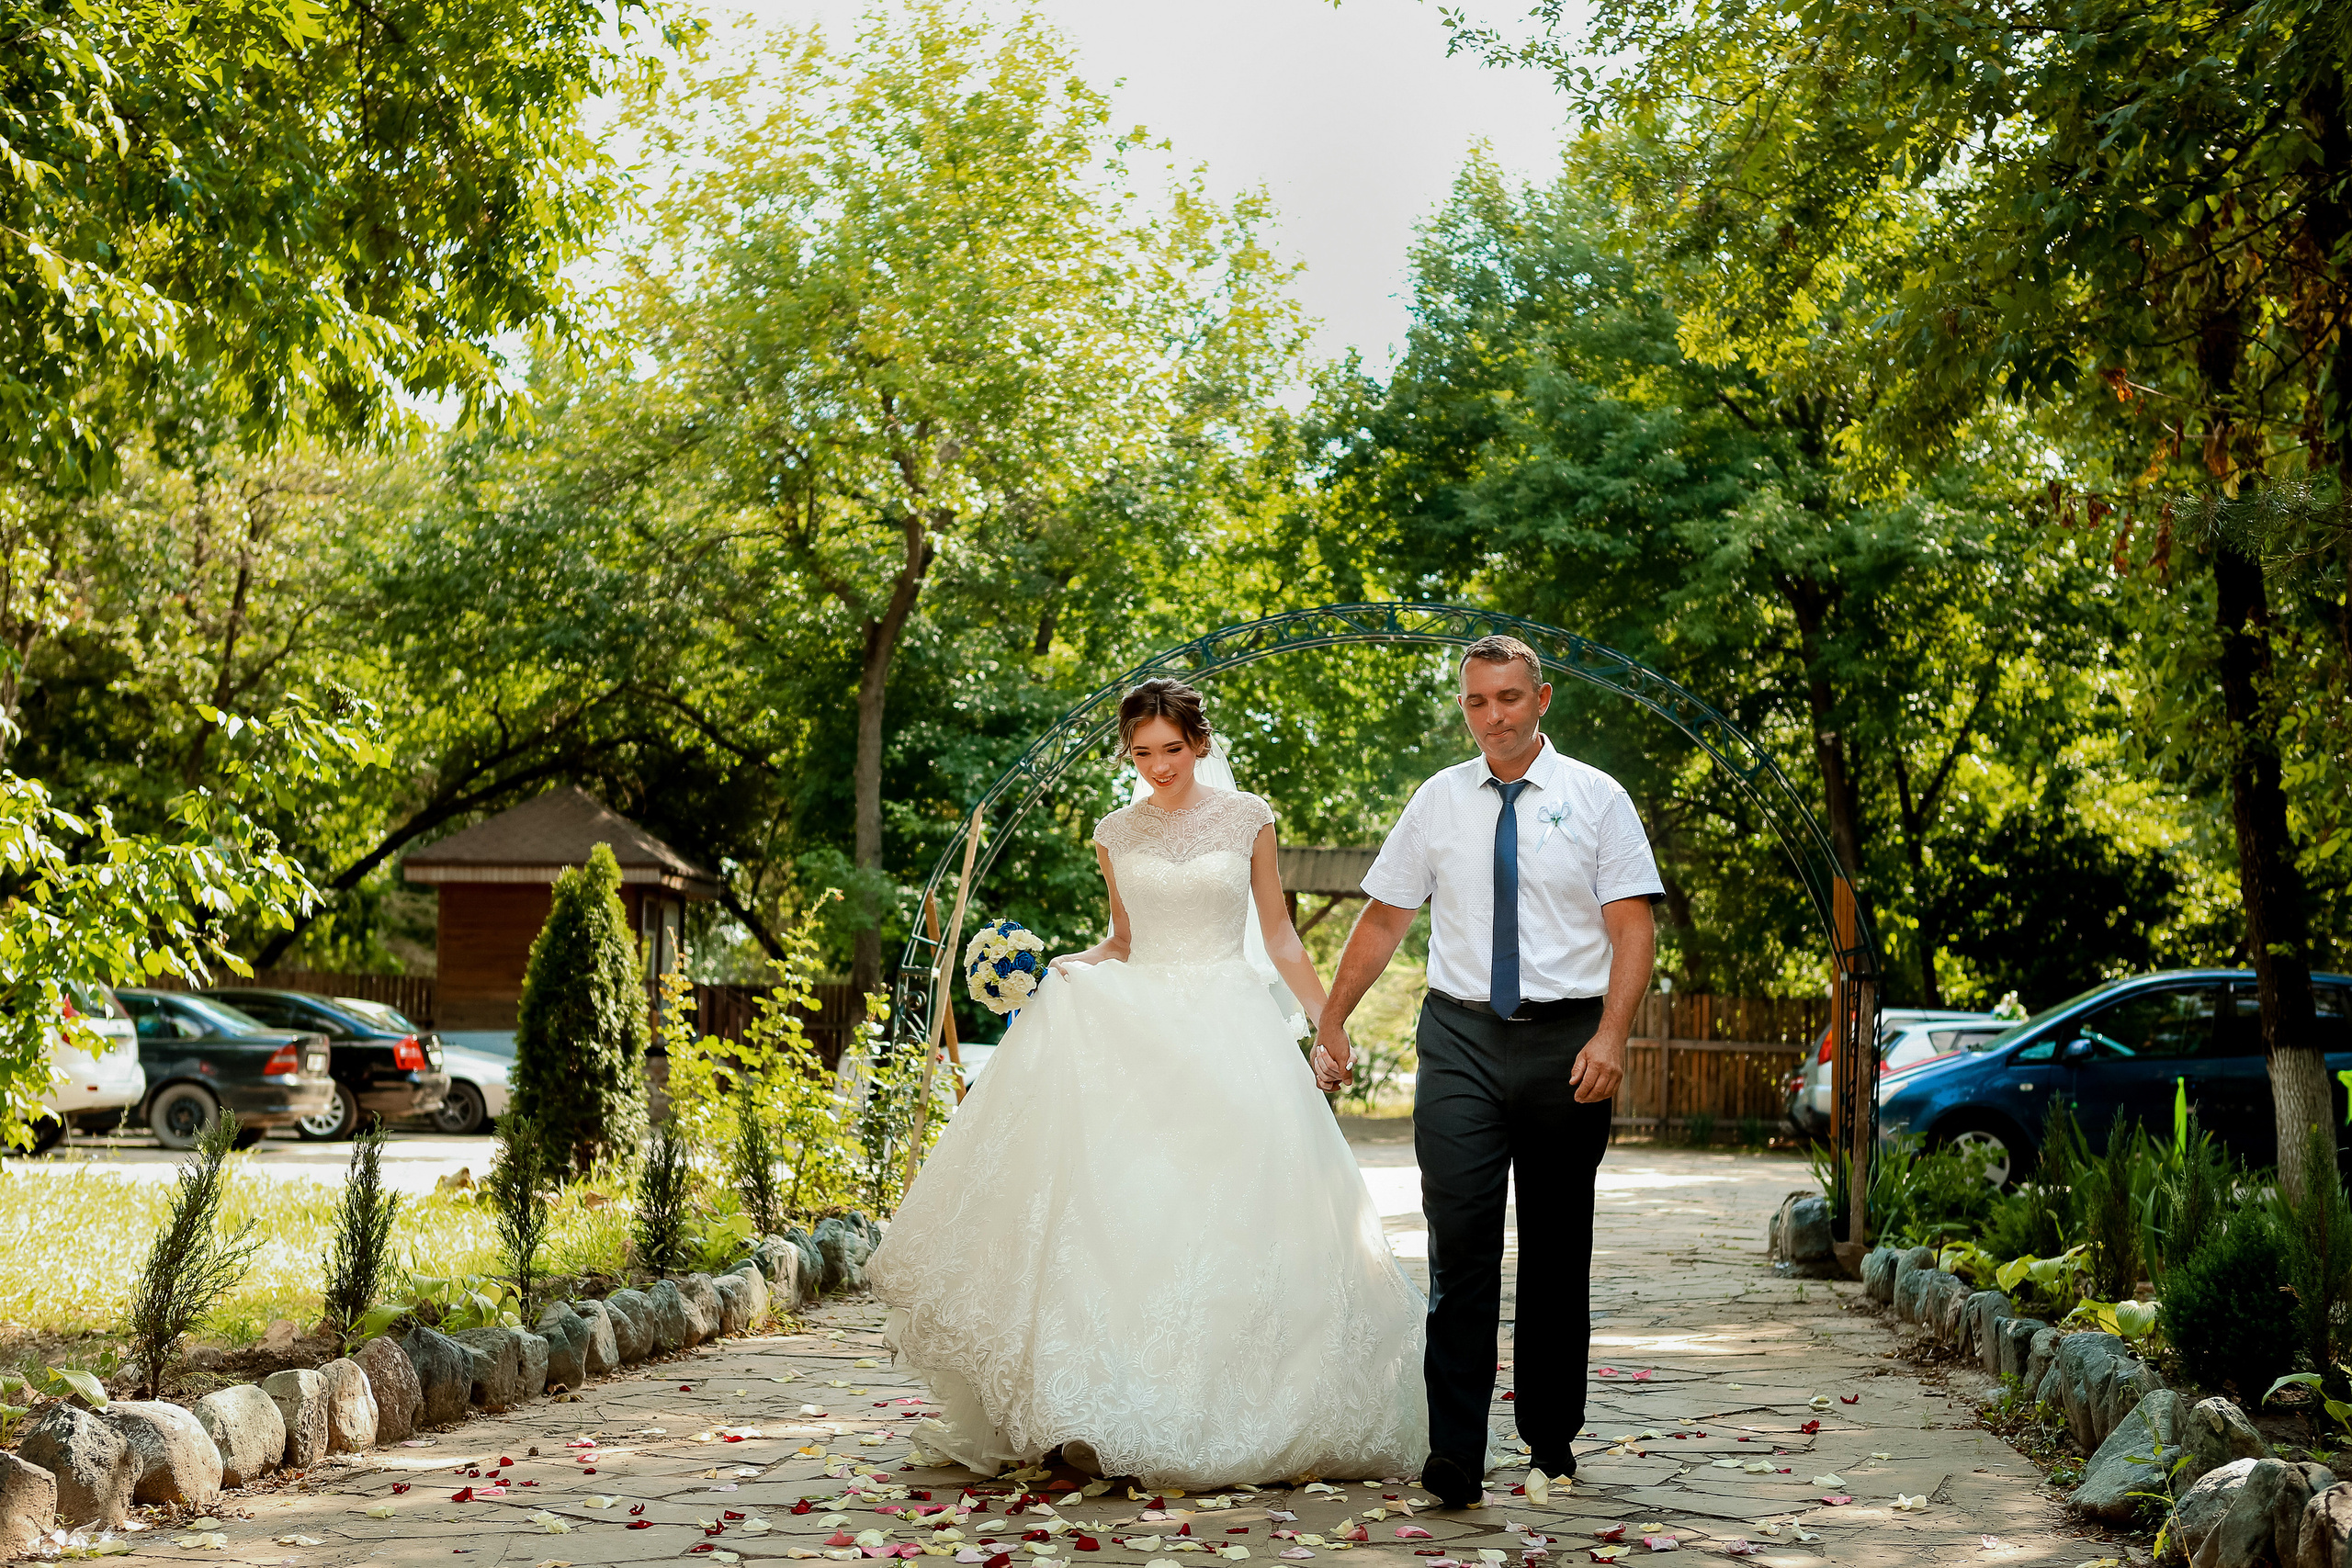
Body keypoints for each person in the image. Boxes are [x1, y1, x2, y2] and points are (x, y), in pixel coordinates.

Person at [868, 677, 1427, 1488]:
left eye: (1172, 748)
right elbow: (1123, 940)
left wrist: (1325, 1021)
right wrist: (1066, 968)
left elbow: (1278, 934)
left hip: (1231, 1027)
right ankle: (1111, 1402)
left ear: (1199, 742)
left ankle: (1252, 1402)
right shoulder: (1114, 831)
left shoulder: (1248, 818)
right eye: (1142, 753)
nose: (1159, 765)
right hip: (1139, 1030)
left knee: (1240, 1209)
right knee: (1129, 1214)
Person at [1313, 635, 1662, 1510]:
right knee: (1460, 1245)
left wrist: (1612, 1036)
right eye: (1477, 700)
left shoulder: (1597, 798)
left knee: (1555, 1248)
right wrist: (1334, 1014)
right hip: (1459, 1038)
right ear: (1464, 705)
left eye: (1508, 697)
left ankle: (1550, 1439)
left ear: (1541, 699)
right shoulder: (1437, 799)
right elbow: (1385, 918)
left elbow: (1632, 927)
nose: (1493, 715)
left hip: (1568, 1042)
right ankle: (1455, 1453)